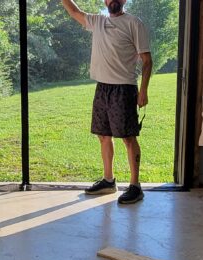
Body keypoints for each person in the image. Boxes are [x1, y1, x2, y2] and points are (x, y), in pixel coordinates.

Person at [61, 0, 153, 204]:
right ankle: (108, 180)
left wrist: (144, 90)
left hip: (124, 88)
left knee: (128, 138)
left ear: (124, 1)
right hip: (102, 88)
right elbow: (74, 11)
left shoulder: (134, 23)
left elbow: (147, 61)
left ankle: (135, 186)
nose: (114, 1)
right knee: (103, 136)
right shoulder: (97, 21)